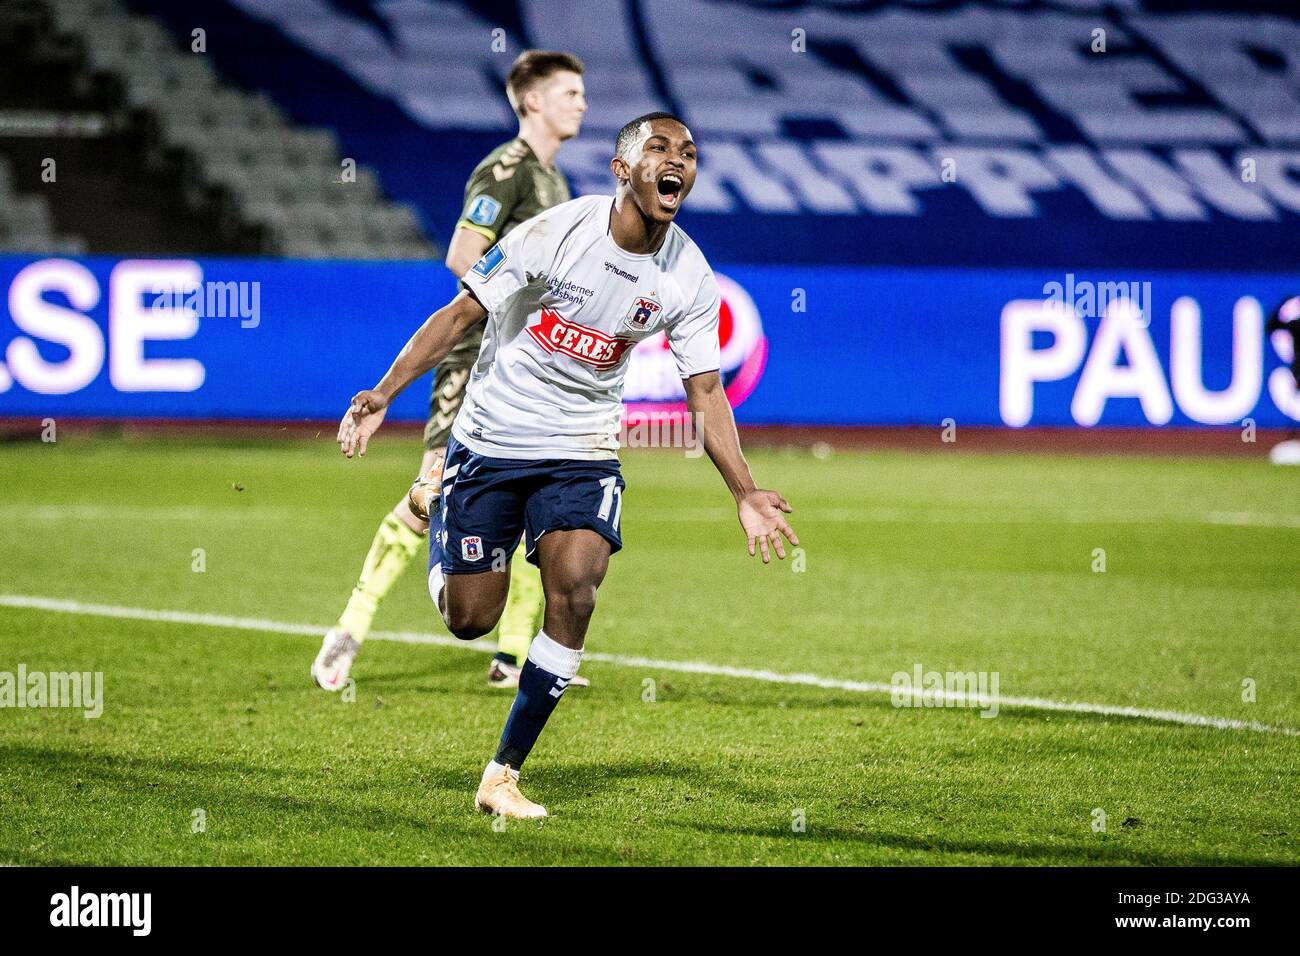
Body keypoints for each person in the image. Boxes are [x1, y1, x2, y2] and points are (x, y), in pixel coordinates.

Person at [336, 112, 798, 818]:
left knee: (576, 588)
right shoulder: (556, 232)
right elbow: (461, 315)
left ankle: (502, 775)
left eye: (690, 152)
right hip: (492, 441)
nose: (678, 160)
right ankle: (434, 505)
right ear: (622, 169)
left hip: (580, 451)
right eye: (660, 148)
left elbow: (705, 393)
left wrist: (744, 491)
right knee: (471, 620)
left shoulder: (689, 277)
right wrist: (382, 394)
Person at [313, 51, 588, 692]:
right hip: (476, 361)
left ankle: (513, 655)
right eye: (570, 92)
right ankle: (350, 628)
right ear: (533, 101)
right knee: (435, 486)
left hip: (531, 369)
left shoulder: (556, 183)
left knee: (531, 497)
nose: (582, 103)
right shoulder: (507, 170)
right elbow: (463, 255)